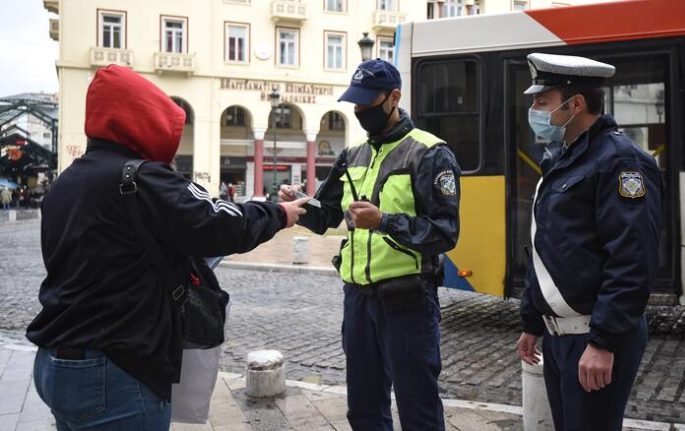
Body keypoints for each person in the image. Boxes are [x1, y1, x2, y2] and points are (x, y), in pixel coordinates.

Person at [26, 64, 308, 430]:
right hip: (116, 367)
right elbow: (219, 221)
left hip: (55, 364)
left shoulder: (68, 182)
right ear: (142, 119)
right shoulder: (140, 177)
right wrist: (278, 213)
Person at [280, 59, 460, 430]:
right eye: (356, 103)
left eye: (367, 101)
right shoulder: (353, 154)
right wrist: (298, 204)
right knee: (363, 409)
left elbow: (444, 233)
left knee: (418, 409)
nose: (360, 110)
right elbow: (328, 213)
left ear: (394, 97)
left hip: (408, 301)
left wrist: (384, 221)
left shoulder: (429, 152)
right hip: (358, 299)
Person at [515, 53, 662, 431]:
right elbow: (547, 247)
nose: (533, 109)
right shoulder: (562, 160)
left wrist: (603, 342)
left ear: (575, 103)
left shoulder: (621, 162)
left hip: (593, 339)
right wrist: (533, 321)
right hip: (560, 336)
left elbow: (632, 258)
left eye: (541, 101)